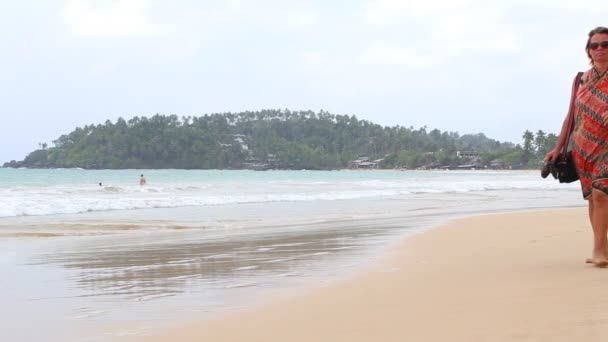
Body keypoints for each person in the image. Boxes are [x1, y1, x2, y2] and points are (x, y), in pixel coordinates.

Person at [545, 26, 608, 267]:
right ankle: (602, 246)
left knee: (602, 193)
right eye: (595, 45)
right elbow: (570, 116)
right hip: (583, 146)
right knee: (593, 197)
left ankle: (599, 250)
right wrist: (558, 148)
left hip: (607, 146)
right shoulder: (580, 79)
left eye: (605, 44)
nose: (600, 48)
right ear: (589, 51)